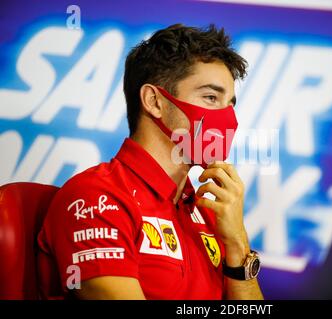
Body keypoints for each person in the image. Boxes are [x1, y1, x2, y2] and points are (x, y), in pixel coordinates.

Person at [38, 23, 264, 300]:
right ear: (154, 101)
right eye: (210, 98)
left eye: (230, 104)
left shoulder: (208, 212)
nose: (228, 119)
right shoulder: (97, 198)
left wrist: (238, 245)